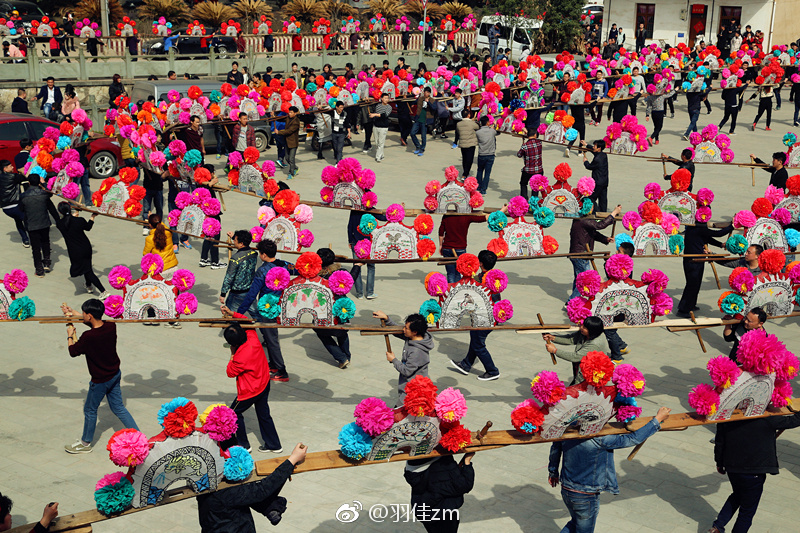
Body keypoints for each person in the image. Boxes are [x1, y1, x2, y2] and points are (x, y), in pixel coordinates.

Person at [548, 406, 672, 532]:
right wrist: (657, 420)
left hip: (567, 489)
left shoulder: (567, 429)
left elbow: (555, 449)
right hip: (586, 496)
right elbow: (632, 438)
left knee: (574, 523)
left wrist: (553, 472)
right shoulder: (600, 438)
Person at [61, 299, 139, 453]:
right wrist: (73, 313)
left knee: (90, 410)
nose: (82, 315)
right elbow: (94, 325)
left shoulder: (88, 337)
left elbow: (73, 351)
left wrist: (70, 335)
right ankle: (139, 436)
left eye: (84, 313)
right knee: (119, 408)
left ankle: (85, 443)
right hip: (114, 374)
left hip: (100, 381)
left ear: (89, 315)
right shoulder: (111, 326)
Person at [707, 408, 800, 533]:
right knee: (747, 512)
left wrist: (719, 462)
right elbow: (793, 420)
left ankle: (717, 527)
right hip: (754, 472)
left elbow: (720, 442)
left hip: (732, 467)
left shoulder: (728, 415)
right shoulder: (767, 417)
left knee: (738, 495)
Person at [197, 443, 306, 532]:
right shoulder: (227, 493)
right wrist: (293, 459)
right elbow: (263, 488)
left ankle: (270, 508)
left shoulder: (204, 484)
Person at [219, 308, 282, 453]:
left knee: (233, 413)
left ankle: (243, 445)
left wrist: (232, 354)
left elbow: (230, 372)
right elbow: (246, 321)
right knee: (264, 414)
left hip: (250, 390)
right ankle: (274, 445)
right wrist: (231, 313)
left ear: (232, 344)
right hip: (264, 383)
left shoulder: (239, 356)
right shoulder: (252, 337)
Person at [237, 239, 292, 382]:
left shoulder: (262, 271)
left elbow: (251, 295)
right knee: (269, 337)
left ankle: (282, 371)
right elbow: (299, 269)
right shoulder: (284, 264)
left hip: (267, 308)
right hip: (280, 305)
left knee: (271, 339)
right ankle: (273, 364)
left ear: (264, 255)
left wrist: (239, 312)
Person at [450, 250, 503, 380]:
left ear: (480, 263)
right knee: (475, 339)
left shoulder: (480, 279)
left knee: (478, 345)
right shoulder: (494, 277)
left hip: (484, 317)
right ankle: (466, 364)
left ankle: (492, 371)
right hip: (493, 315)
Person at [372, 311, 434, 404]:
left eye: (406, 328)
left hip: (413, 391)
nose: (403, 330)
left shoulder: (416, 352)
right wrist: (387, 319)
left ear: (415, 332)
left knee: (399, 411)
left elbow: (406, 371)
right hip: (408, 388)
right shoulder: (415, 337)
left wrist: (393, 360)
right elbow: (398, 332)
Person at [404, 453, 475, 533]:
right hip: (443, 512)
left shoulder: (413, 464)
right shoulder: (441, 465)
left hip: (424, 511)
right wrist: (467, 461)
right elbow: (463, 485)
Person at [676, 221, 734, 318]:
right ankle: (683, 309)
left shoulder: (696, 229)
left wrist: (720, 245)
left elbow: (707, 238)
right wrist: (731, 226)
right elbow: (718, 234)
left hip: (698, 260)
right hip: (693, 261)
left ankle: (691, 304)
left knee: (696, 284)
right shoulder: (696, 228)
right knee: (692, 285)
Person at [567, 205, 622, 302]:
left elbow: (593, 233)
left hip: (577, 253)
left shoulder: (581, 220)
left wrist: (605, 239)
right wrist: (613, 213)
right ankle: (571, 301)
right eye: (591, 206)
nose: (593, 208)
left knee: (579, 278)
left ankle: (574, 301)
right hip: (581, 254)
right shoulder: (583, 220)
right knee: (585, 280)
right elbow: (599, 225)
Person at [55, 202, 108, 299]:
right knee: (87, 267)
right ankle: (89, 285)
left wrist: (74, 216)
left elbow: (68, 221)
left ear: (60, 212)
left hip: (75, 251)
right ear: (70, 209)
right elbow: (88, 227)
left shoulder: (59, 224)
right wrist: (92, 217)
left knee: (88, 271)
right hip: (86, 248)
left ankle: (103, 291)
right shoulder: (79, 220)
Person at [313, 248, 353, 368]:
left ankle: (341, 357)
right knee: (342, 331)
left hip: (324, 309)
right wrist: (357, 266)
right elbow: (352, 279)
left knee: (320, 331)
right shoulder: (341, 272)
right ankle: (346, 356)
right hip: (342, 308)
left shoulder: (315, 277)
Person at [543, 316, 611, 385]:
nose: (581, 327)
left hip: (590, 376)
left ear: (592, 330)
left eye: (584, 327)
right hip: (580, 370)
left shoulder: (594, 343)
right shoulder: (585, 333)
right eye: (582, 325)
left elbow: (575, 357)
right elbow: (571, 339)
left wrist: (555, 350)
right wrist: (553, 338)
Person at [19, 174, 58, 277]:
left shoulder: (23, 196)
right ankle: (47, 263)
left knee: (36, 248)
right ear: (39, 182)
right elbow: (52, 208)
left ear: (29, 183)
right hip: (44, 223)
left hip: (31, 225)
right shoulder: (44, 194)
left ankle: (39, 270)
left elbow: (21, 209)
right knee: (46, 242)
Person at [439, 211, 491, 283]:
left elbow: (441, 232)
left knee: (450, 273)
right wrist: (501, 211)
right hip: (460, 248)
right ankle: (457, 288)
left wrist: (441, 245)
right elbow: (484, 218)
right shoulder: (466, 216)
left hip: (447, 247)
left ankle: (451, 288)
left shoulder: (447, 215)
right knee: (459, 272)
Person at [348, 209, 385, 299]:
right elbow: (383, 218)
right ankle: (369, 293)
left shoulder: (354, 209)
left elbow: (350, 225)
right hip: (369, 243)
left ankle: (359, 293)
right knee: (371, 267)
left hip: (356, 242)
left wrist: (350, 240)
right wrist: (397, 211)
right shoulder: (371, 209)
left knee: (357, 266)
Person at [220, 230, 257, 311]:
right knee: (256, 314)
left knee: (230, 314)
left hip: (236, 293)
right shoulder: (254, 254)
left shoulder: (235, 259)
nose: (233, 241)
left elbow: (229, 277)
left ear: (241, 243)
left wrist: (223, 294)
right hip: (249, 291)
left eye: (235, 240)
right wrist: (234, 237)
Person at [0, 159, 29, 247]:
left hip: (5, 208)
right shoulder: (14, 176)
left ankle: (25, 239)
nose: (13, 167)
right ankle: (36, 240)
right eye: (10, 166)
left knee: (18, 220)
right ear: (5, 169)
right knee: (28, 221)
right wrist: (22, 170)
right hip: (16, 205)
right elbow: (26, 177)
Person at [581, 140, 609, 212]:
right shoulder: (604, 155)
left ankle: (592, 211)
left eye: (595, 146)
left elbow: (589, 166)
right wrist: (586, 145)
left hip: (598, 183)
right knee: (603, 200)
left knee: (591, 198)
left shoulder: (597, 159)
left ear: (599, 148)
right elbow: (594, 151)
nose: (593, 147)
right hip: (604, 182)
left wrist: (585, 161)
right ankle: (603, 213)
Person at [274, 106, 300, 179]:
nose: (289, 114)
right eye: (289, 112)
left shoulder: (296, 122)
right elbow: (281, 119)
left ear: (295, 113)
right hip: (287, 142)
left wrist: (279, 132)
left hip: (293, 143)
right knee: (287, 158)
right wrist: (274, 116)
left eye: (291, 112)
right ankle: (295, 168)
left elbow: (289, 131)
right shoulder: (288, 118)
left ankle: (291, 173)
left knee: (291, 159)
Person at [517, 130, 543, 199]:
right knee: (535, 186)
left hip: (528, 170)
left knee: (523, 183)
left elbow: (519, 155)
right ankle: (534, 201)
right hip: (539, 170)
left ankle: (524, 199)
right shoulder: (539, 143)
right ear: (535, 135)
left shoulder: (525, 145)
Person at [475, 116, 497, 195]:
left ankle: (478, 187)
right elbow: (496, 131)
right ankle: (483, 190)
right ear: (488, 122)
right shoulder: (492, 131)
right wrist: (495, 124)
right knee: (487, 173)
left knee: (479, 171)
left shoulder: (478, 132)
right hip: (490, 154)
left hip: (482, 154)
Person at [457, 111, 480, 177]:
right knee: (469, 160)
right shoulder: (472, 123)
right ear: (469, 115)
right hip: (471, 144)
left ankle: (465, 172)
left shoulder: (458, 124)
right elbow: (478, 127)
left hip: (463, 143)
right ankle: (465, 174)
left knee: (464, 159)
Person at [370, 92, 391, 163]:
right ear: (381, 99)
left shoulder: (389, 107)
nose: (386, 99)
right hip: (376, 126)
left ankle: (378, 157)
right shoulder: (377, 106)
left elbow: (384, 115)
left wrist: (375, 114)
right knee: (377, 142)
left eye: (387, 98)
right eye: (385, 98)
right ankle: (381, 154)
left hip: (384, 127)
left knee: (381, 143)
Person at [411, 87, 433, 156]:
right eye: (425, 92)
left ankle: (422, 149)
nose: (426, 94)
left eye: (427, 92)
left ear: (429, 93)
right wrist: (412, 103)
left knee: (423, 136)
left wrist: (428, 102)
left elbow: (434, 108)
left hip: (425, 120)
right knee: (412, 133)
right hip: (418, 119)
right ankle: (418, 146)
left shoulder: (432, 100)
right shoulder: (420, 98)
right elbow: (414, 101)